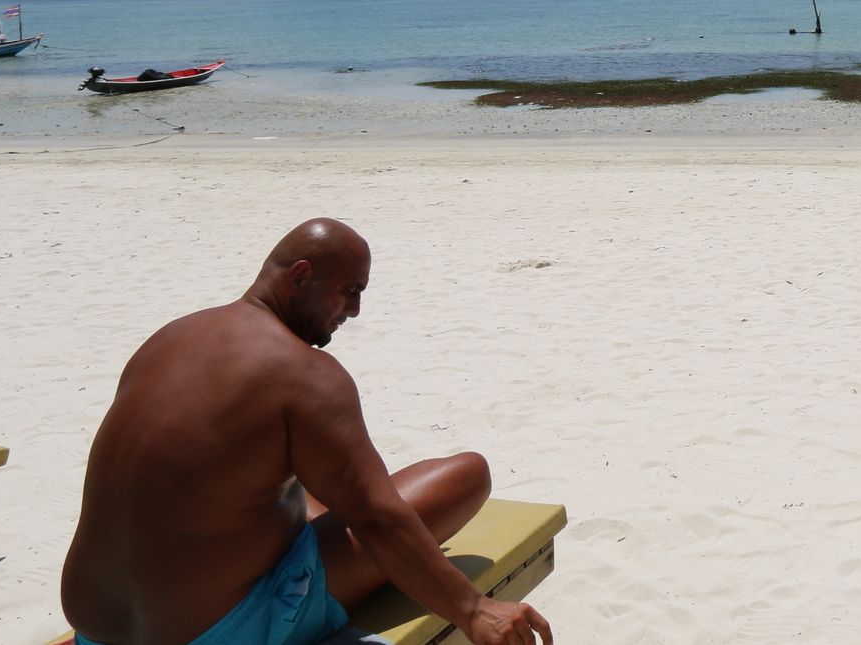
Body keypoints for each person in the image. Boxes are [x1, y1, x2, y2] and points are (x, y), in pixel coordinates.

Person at [62, 219, 552, 645]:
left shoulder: (170, 339)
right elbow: (378, 519)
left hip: (97, 628)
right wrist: (474, 610)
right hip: (212, 633)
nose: (355, 311)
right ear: (301, 278)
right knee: (467, 476)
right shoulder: (305, 373)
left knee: (306, 490)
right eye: (351, 291)